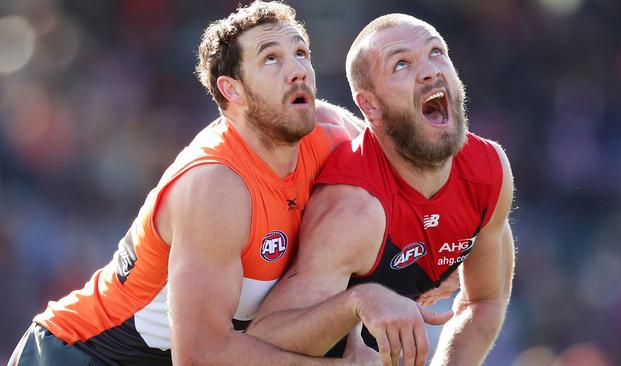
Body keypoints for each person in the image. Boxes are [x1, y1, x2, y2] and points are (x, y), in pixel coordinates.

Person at [8, 2, 428, 365]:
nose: (298, 69)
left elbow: (410, 183)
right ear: (233, 91)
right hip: (80, 354)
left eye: (301, 52)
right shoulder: (217, 185)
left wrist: (445, 263)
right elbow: (201, 356)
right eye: (271, 58)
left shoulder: (333, 132)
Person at [246, 13, 516, 366]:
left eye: (437, 52)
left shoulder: (489, 170)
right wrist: (359, 301)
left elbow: (484, 301)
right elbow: (261, 341)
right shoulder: (354, 210)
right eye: (401, 64)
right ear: (370, 105)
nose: (431, 71)